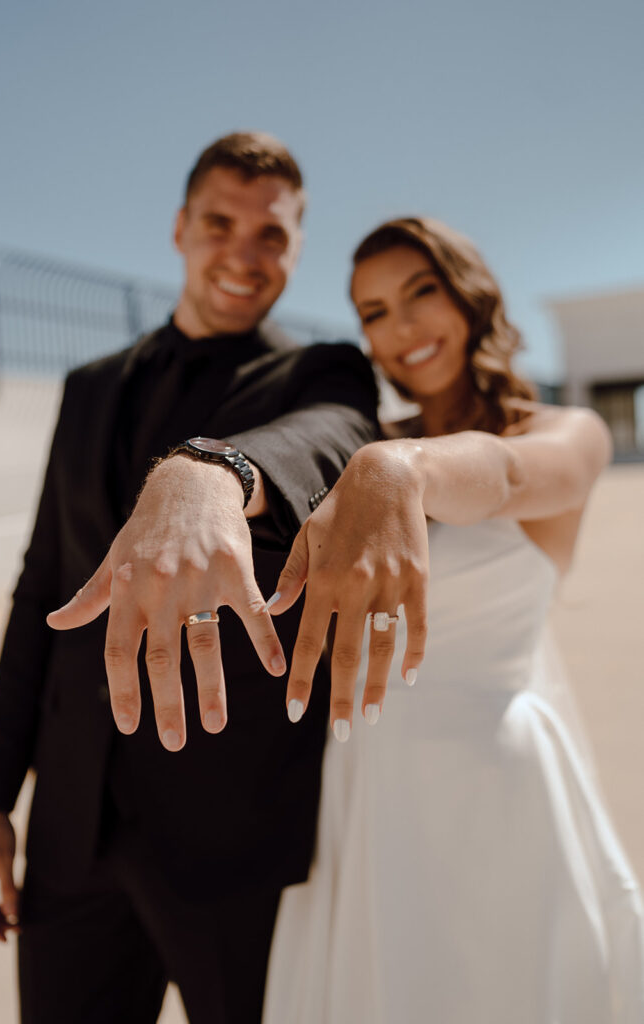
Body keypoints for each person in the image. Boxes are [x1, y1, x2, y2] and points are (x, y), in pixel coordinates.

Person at [0, 132, 378, 1024]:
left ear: (296, 251)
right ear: (179, 228)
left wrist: (213, 471)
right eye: (219, 222)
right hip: (72, 834)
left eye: (271, 235)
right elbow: (40, 595)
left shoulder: (320, 373)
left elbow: (333, 435)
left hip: (231, 842)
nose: (243, 252)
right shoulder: (86, 388)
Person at [263, 217, 644, 1023]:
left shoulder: (561, 433)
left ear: (469, 294)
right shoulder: (362, 445)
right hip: (359, 791)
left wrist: (400, 470)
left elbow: (502, 477)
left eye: (419, 292)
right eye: (371, 312)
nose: (399, 329)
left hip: (486, 787)